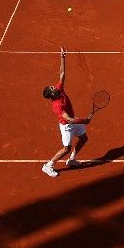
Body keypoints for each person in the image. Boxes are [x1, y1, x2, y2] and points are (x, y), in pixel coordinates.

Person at [41, 48, 91, 178]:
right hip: (67, 126)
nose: (54, 86)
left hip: (73, 120)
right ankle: (48, 166)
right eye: (52, 87)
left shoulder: (59, 89)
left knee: (84, 138)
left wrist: (63, 57)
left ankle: (72, 159)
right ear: (51, 94)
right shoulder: (56, 105)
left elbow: (62, 73)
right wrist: (83, 121)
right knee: (66, 148)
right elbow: (68, 119)